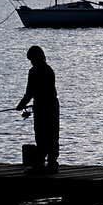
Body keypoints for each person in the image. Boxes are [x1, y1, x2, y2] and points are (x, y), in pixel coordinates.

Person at [16, 45, 59, 174]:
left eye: (31, 59)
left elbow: (30, 92)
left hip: (42, 106)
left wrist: (21, 105)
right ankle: (52, 163)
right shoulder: (49, 70)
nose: (31, 62)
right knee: (52, 134)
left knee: (41, 135)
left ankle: (40, 164)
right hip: (52, 105)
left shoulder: (34, 71)